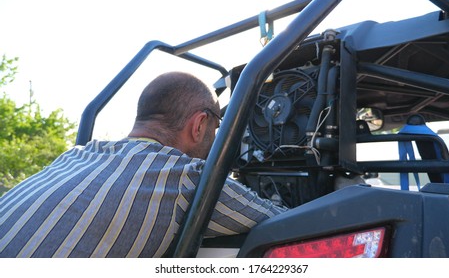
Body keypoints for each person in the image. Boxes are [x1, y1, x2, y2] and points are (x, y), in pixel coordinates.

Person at [0, 71, 287, 258]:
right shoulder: (188, 177)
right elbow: (291, 221)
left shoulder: (77, 154)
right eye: (216, 127)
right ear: (199, 125)